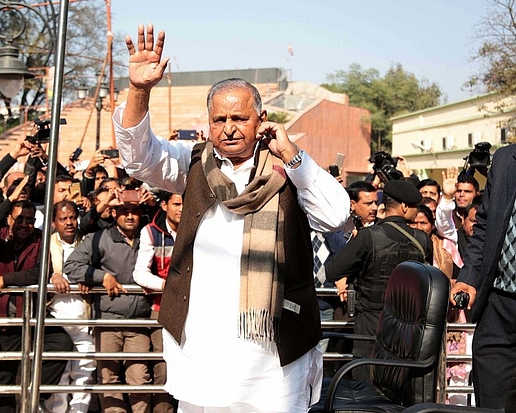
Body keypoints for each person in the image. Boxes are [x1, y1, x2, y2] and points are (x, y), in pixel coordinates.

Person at [113, 24, 349, 412]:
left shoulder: (289, 168)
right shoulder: (190, 163)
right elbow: (138, 159)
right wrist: (139, 91)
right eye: (219, 120)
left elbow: (337, 216)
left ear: (262, 119)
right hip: (203, 347)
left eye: (239, 118)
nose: (229, 128)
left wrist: (293, 157)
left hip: (274, 355)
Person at [326, 179, 432, 382]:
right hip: (407, 331)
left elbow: (332, 271)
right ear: (404, 206)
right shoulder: (422, 240)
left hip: (370, 331)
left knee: (366, 394)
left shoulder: (368, 236)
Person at [0, 195, 72, 413]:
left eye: (30, 220)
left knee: (61, 341)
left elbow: (40, 272)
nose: (25, 224)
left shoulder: (41, 239)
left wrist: (6, 280)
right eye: (20, 219)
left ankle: (32, 392)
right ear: (9, 219)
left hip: (30, 315)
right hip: (1, 319)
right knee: (1, 381)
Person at [65, 202, 152, 413]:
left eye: (135, 212)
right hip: (107, 320)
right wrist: (100, 276)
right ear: (114, 213)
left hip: (139, 320)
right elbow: (72, 265)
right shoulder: (99, 238)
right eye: (124, 212)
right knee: (108, 380)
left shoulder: (149, 237)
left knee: (140, 379)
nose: (130, 216)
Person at [449, 143, 516, 410]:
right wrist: (469, 276)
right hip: (498, 306)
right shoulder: (505, 159)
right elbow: (485, 226)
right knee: (490, 404)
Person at [133, 192, 183, 413]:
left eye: (185, 203)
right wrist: (165, 285)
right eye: (176, 204)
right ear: (164, 205)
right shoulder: (150, 232)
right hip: (161, 309)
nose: (181, 208)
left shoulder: (199, 226)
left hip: (194, 310)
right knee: (163, 368)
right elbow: (140, 273)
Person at [45, 200, 96, 413]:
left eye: (72, 218)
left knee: (84, 370)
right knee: (60, 373)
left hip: (84, 315)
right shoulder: (46, 244)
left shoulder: (89, 242)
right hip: (56, 315)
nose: (69, 223)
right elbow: (35, 271)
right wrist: (51, 275)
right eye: (63, 219)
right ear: (54, 222)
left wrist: (88, 277)